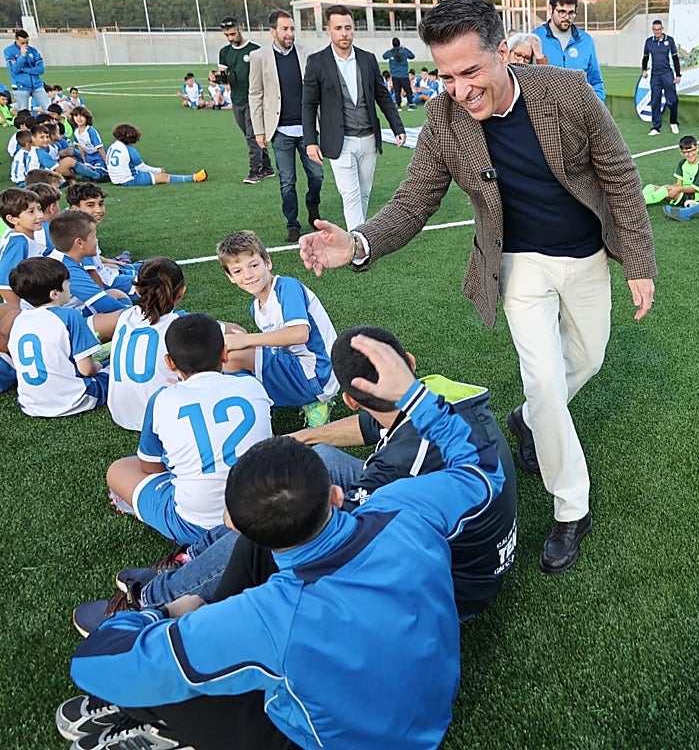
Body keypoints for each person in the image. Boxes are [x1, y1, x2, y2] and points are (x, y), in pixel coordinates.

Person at [299, 0, 655, 574]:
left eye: (471, 72)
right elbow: (414, 200)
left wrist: (638, 262)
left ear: (502, 54)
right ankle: (573, 509)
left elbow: (619, 175)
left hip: (587, 256)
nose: (460, 89)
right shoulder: (442, 120)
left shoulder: (567, 92)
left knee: (585, 362)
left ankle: (526, 420)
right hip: (516, 265)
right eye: (445, 76)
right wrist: (358, 242)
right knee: (543, 379)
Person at [65, 334, 507, 750]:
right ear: (336, 494)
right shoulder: (406, 508)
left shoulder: (267, 615)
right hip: (430, 710)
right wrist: (414, 396)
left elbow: (93, 663)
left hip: (345, 739)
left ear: (236, 526)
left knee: (166, 679)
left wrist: (167, 613)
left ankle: (158, 704)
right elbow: (481, 467)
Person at [73, 324, 519, 636]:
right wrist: (302, 437)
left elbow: (365, 485)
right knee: (319, 458)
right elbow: (383, 427)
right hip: (462, 537)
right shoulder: (443, 395)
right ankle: (194, 557)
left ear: (348, 398)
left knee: (278, 514)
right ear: (409, 363)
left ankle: (154, 599)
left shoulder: (399, 467)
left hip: (450, 587)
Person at [105, 312, 274, 547]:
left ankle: (145, 506)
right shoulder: (253, 386)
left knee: (119, 469)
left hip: (196, 525)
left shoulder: (162, 399)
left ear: (170, 362)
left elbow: (150, 467)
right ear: (225, 353)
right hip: (262, 512)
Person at [217, 230, 339, 428]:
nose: (247, 275)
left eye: (254, 265)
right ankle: (259, 402)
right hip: (297, 367)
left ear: (268, 263)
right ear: (230, 276)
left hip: (319, 375)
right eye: (238, 271)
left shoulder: (286, 287)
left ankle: (308, 403)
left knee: (235, 353)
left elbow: (300, 333)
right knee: (235, 338)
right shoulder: (255, 308)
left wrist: (246, 341)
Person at [302, 4, 407, 231]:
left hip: (369, 137)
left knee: (364, 193)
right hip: (340, 141)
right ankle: (358, 248)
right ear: (328, 30)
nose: (344, 33)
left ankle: (359, 238)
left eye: (348, 27)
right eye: (338, 28)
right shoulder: (317, 62)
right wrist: (310, 141)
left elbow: (382, 96)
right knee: (350, 195)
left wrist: (398, 126)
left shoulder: (367, 59)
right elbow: (309, 105)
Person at [250, 10, 325, 244]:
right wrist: (259, 130)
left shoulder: (307, 54)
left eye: (292, 29)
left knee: (317, 175)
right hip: (280, 130)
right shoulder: (259, 57)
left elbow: (318, 91)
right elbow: (255, 94)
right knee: (287, 181)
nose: (290, 33)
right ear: (273, 31)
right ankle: (293, 223)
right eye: (285, 29)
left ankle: (313, 207)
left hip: (308, 130)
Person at [8, 255, 107, 416]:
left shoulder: (18, 321)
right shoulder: (69, 316)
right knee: (114, 367)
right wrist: (100, 366)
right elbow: (87, 370)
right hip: (73, 399)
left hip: (30, 404)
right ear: (54, 293)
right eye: (67, 284)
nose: (70, 287)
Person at [106, 258, 192, 431]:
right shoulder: (181, 325)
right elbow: (231, 331)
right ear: (181, 292)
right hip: (164, 416)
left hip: (121, 414)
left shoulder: (125, 316)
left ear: (137, 291)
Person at [47, 209, 132, 340]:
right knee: (123, 317)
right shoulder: (67, 269)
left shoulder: (63, 259)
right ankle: (102, 347)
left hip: (67, 316)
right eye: (94, 236)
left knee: (115, 294)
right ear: (79, 243)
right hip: (60, 330)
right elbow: (104, 303)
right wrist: (139, 317)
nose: (96, 240)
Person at [218, 17, 273, 184]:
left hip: (253, 100)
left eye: (233, 34)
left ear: (240, 28)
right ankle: (267, 167)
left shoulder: (255, 50)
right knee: (249, 136)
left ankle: (254, 171)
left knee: (252, 136)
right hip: (236, 100)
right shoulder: (225, 52)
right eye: (227, 35)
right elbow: (223, 77)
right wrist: (218, 78)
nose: (230, 38)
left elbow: (266, 76)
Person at [534, 0, 605, 101]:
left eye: (571, 13)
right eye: (562, 12)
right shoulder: (535, 39)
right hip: (547, 115)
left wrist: (597, 106)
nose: (567, 17)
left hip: (579, 115)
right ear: (550, 9)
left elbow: (596, 81)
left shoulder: (586, 41)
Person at [106, 124, 207, 186]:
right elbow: (143, 168)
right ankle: (194, 178)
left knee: (155, 175)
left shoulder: (113, 146)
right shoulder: (130, 150)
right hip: (129, 179)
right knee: (164, 177)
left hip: (115, 178)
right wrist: (157, 170)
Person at [0, 187, 45, 301]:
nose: (40, 215)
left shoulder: (27, 238)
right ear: (12, 219)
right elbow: (4, 285)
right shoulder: (19, 242)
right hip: (26, 306)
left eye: (39, 209)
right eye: (31, 212)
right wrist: (18, 314)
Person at [641, 19, 681, 136]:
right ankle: (656, 127)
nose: (657, 32)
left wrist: (678, 74)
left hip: (667, 74)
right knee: (655, 101)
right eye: (655, 30)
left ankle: (673, 122)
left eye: (659, 29)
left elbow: (675, 58)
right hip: (655, 75)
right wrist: (644, 70)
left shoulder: (669, 41)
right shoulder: (649, 42)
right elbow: (645, 57)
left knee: (672, 100)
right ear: (653, 30)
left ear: (662, 29)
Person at [642, 135, 699, 205]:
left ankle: (637, 203)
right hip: (682, 190)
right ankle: (637, 198)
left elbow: (695, 189)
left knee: (665, 190)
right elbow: (679, 184)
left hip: (694, 195)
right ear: (681, 152)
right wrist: (672, 188)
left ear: (697, 148)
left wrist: (677, 189)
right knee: (650, 187)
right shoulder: (682, 163)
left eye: (693, 150)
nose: (690, 154)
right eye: (686, 152)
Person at [4, 29, 50, 111]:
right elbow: (15, 69)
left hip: (37, 85)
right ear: (16, 40)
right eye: (22, 43)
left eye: (27, 43)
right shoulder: (9, 51)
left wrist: (24, 70)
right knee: (23, 111)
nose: (25, 45)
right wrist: (22, 56)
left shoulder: (33, 50)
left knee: (48, 108)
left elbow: (40, 69)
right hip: (21, 86)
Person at [382, 36, 417, 109]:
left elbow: (384, 56)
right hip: (404, 75)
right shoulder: (403, 51)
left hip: (395, 75)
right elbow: (412, 56)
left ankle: (398, 105)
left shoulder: (390, 53)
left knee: (397, 91)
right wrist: (405, 48)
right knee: (408, 90)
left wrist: (390, 49)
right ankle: (410, 104)